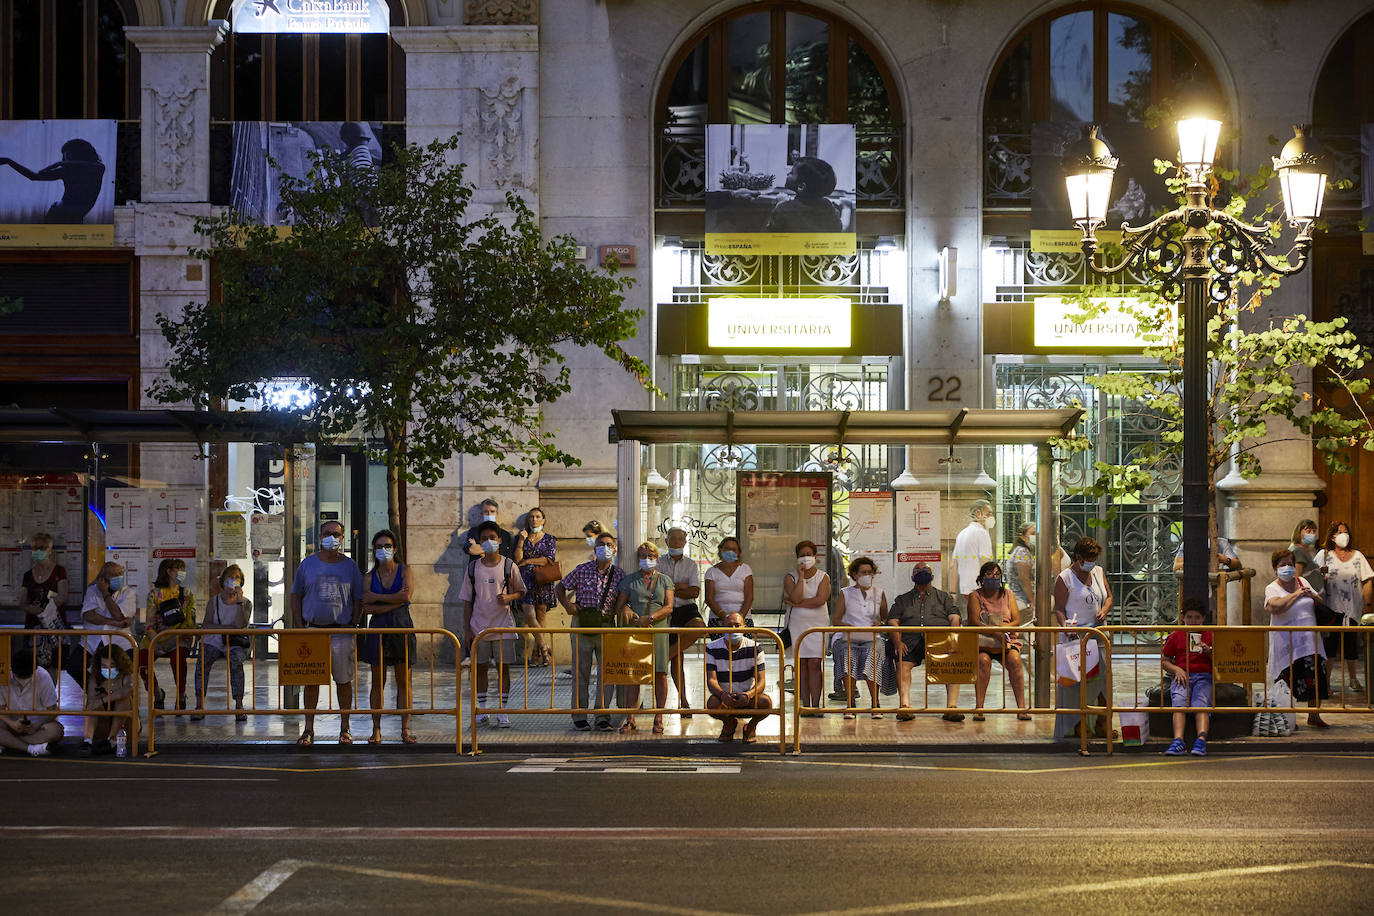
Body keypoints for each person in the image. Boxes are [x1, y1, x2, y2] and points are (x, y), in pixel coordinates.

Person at [290, 519, 365, 746]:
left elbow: (359, 598)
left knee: (343, 681)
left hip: (341, 632)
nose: (332, 537)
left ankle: (345, 728)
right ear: (320, 537)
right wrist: (299, 627)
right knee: (311, 682)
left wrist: (354, 622)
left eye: (336, 534)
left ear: (342, 538)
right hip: (313, 632)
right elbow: (296, 595)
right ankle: (309, 729)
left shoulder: (350, 566)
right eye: (327, 533)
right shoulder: (307, 565)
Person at [460, 521, 527, 729]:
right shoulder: (473, 568)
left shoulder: (509, 565)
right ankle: (482, 709)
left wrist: (509, 597)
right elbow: (467, 601)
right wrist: (467, 630)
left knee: (502, 668)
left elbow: (521, 591)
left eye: (492, 538)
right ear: (479, 542)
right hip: (478, 627)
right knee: (480, 668)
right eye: (484, 539)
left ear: (499, 540)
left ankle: (502, 710)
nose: (488, 542)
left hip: (503, 626)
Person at [557, 531, 624, 731]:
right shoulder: (582, 570)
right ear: (595, 549)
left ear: (615, 549)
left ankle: (602, 715)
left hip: (606, 625)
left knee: (607, 674)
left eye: (609, 544)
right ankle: (579, 714)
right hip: (582, 623)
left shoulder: (619, 574)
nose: (605, 547)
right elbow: (560, 587)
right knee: (581, 671)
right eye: (601, 544)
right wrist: (567, 605)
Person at [1053, 536, 1112, 741]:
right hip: (1075, 638)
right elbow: (1058, 609)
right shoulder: (1064, 578)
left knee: (1102, 681)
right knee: (1076, 685)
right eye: (1088, 558)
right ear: (1078, 557)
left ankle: (1102, 723)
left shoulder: (1098, 572)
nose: (1092, 562)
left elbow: (1109, 596)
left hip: (1098, 635)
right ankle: (1076, 725)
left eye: (1094, 558)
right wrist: (1065, 626)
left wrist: (1104, 610)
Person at [887, 560, 961, 722]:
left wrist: (953, 640)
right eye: (917, 570)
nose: (921, 571)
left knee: (951, 663)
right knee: (902, 664)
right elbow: (893, 620)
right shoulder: (902, 599)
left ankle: (951, 707)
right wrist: (898, 642)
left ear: (932, 575)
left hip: (938, 640)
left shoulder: (944, 597)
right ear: (912, 577)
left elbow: (954, 617)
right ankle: (905, 706)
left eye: (925, 569)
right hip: (910, 641)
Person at [361, 529, 417, 744]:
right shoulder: (369, 577)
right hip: (378, 631)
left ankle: (405, 728)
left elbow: (407, 595)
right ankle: (376, 729)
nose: (383, 550)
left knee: (404, 681)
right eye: (378, 547)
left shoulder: (405, 571)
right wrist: (395, 602)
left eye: (387, 546)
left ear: (394, 549)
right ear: (373, 550)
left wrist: (378, 599)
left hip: (401, 628)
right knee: (378, 681)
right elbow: (367, 607)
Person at [613, 542, 675, 734]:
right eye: (642, 556)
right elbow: (619, 605)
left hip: (657, 630)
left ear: (656, 558)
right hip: (635, 630)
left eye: (650, 556)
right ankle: (631, 717)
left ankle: (658, 716)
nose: (646, 559)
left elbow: (668, 606)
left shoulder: (665, 580)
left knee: (660, 673)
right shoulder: (629, 581)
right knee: (635, 674)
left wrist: (651, 618)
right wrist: (629, 611)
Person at [1264, 548, 1329, 728]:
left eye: (1290, 564)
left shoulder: (1302, 581)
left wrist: (1312, 595)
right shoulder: (1272, 588)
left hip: (1310, 642)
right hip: (1286, 643)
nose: (1288, 568)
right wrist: (1297, 594)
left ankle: (1314, 715)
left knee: (1314, 678)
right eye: (1283, 565)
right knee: (1288, 681)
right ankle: (1289, 718)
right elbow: (1275, 606)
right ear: (1275, 569)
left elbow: (1319, 601)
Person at [967, 561, 1031, 721]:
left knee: (1015, 661)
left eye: (996, 574)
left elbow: (1016, 620)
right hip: (984, 642)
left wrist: (1003, 628)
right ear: (981, 578)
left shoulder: (1008, 594)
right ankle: (979, 707)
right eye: (989, 574)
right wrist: (995, 632)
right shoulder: (975, 596)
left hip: (1007, 641)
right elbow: (974, 621)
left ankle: (1021, 708)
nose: (993, 577)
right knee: (983, 661)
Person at [1312, 521, 1371, 695]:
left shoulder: (1358, 556)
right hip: (1331, 608)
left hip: (1352, 608)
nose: (1343, 535)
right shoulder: (1324, 556)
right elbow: (1313, 579)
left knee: (1351, 645)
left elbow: (1367, 580)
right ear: (1332, 536)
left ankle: (1353, 679)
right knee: (1329, 646)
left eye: (1345, 532)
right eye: (1339, 532)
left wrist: (1367, 606)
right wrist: (1321, 577)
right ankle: (1327, 681)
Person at [191, 565, 252, 723]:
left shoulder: (246, 603)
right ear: (223, 580)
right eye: (230, 577)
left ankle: (239, 705)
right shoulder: (215, 601)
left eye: (237, 577)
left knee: (236, 661)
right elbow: (207, 625)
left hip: (235, 642)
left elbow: (240, 625)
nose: (233, 580)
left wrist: (239, 602)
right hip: (215, 640)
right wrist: (226, 628)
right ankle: (199, 704)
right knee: (202, 661)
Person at [831, 556, 889, 720]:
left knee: (873, 654)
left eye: (869, 572)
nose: (867, 575)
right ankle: (850, 702)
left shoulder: (879, 593)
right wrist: (846, 627)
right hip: (848, 637)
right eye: (863, 572)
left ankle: (875, 703)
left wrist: (880, 624)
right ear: (855, 575)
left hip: (871, 637)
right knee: (846, 655)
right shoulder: (846, 593)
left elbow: (885, 618)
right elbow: (836, 619)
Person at [0, 138, 106, 222]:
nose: (64, 160)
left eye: (67, 157)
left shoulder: (96, 168)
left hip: (65, 215)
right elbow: (37, 175)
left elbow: (36, 175)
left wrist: (59, 163)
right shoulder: (75, 170)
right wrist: (10, 162)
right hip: (62, 215)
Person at [704, 612, 772, 743]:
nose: (733, 630)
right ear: (723, 628)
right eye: (729, 626)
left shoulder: (755, 647)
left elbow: (761, 681)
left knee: (766, 703)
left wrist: (749, 695)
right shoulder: (711, 648)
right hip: (724, 699)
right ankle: (729, 724)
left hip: (747, 697)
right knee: (712, 703)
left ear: (745, 627)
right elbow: (711, 680)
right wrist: (723, 694)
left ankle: (750, 727)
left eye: (737, 625)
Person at [139, 557, 197, 711]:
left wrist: (172, 640)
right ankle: (156, 693)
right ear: (169, 572)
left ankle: (181, 693)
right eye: (179, 569)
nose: (182, 573)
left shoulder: (187, 594)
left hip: (179, 637)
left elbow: (189, 624)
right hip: (157, 637)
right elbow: (149, 624)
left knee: (178, 660)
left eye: (183, 569)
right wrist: (155, 642)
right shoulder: (154, 594)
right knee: (141, 660)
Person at [658, 527, 704, 716]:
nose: (676, 542)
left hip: (686, 609)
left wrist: (670, 587)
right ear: (666, 541)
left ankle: (664, 658)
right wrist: (679, 588)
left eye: (680, 539)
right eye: (673, 539)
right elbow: (658, 589)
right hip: (666, 609)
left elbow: (694, 592)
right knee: (679, 659)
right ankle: (683, 701)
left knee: (699, 627)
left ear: (685, 542)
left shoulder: (691, 565)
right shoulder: (659, 562)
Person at [784, 540, 832, 714]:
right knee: (802, 664)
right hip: (797, 624)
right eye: (801, 555)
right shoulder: (791, 577)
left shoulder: (823, 576)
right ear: (797, 558)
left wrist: (795, 604)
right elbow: (796, 597)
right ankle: (804, 706)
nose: (805, 557)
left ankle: (816, 705)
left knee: (814, 663)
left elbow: (821, 600)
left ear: (815, 556)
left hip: (818, 623)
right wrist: (801, 577)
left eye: (808, 554)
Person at [1160, 597, 1213, 756]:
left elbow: (1220, 661)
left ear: (1203, 618)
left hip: (1204, 676)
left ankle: (1201, 739)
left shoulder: (1210, 634)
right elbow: (1165, 661)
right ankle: (1178, 741)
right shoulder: (1176, 635)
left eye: (1197, 618)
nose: (1193, 621)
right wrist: (1176, 670)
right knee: (1179, 702)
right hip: (1182, 675)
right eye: (1189, 617)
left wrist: (1209, 651)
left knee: (1201, 703)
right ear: (1183, 617)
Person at [0, 645, 64, 756]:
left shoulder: (43, 676)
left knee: (56, 730)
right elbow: (0, 709)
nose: (23, 680)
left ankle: (9, 742)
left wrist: (37, 725)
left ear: (35, 670)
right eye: (19, 677)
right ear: (13, 671)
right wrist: (12, 723)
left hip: (37, 726)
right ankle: (31, 748)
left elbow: (53, 710)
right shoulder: (4, 676)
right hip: (11, 723)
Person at [513, 507, 557, 667]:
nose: (534, 519)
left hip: (543, 579)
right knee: (529, 614)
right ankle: (545, 649)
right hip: (525, 581)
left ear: (543, 520)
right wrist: (521, 540)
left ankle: (536, 656)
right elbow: (518, 559)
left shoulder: (550, 539)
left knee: (541, 616)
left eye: (538, 516)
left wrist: (528, 561)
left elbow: (549, 559)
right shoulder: (521, 537)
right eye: (531, 516)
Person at [19, 532, 68, 674]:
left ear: (50, 550)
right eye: (34, 548)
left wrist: (46, 609)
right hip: (33, 627)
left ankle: (51, 694)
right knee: (32, 665)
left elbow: (62, 596)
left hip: (53, 626)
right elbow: (23, 601)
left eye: (42, 547)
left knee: (54, 665)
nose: (38, 551)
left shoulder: (60, 571)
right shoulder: (28, 575)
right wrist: (33, 609)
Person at [80, 642, 135, 756]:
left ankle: (113, 741)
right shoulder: (95, 676)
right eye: (104, 666)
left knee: (123, 700)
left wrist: (104, 699)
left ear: (119, 664)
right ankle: (87, 741)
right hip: (102, 723)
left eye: (112, 666)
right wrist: (101, 700)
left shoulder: (127, 674)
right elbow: (91, 698)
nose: (108, 670)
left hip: (124, 728)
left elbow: (126, 691)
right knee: (92, 705)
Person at [763, 157, 843, 233]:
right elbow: (837, 228)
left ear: (801, 186)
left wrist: (780, 204)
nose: (788, 174)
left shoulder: (783, 209)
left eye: (791, 173)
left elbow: (769, 235)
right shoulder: (828, 206)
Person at [704, 537, 754, 628]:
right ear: (720, 550)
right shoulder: (711, 572)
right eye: (727, 548)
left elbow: (749, 597)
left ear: (738, 552)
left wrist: (739, 618)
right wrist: (725, 618)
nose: (730, 551)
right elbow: (709, 599)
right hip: (718, 619)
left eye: (734, 549)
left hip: (743, 619)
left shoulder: (745, 569)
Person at [952, 499, 995, 598]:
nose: (991, 517)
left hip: (965, 589)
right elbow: (985, 563)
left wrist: (953, 592)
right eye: (988, 513)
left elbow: (953, 565)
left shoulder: (962, 534)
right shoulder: (982, 533)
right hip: (980, 589)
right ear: (977, 513)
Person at [1008, 522, 1036, 614]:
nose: (1035, 537)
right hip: (1022, 600)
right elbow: (1024, 579)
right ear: (1023, 536)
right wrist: (1032, 600)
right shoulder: (1022, 552)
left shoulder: (1021, 550)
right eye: (1032, 534)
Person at [1289, 518, 1323, 591]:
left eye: (1314, 531)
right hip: (1309, 596)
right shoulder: (1298, 551)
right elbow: (1296, 577)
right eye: (1308, 531)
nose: (1312, 534)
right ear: (1299, 533)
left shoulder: (1305, 551)